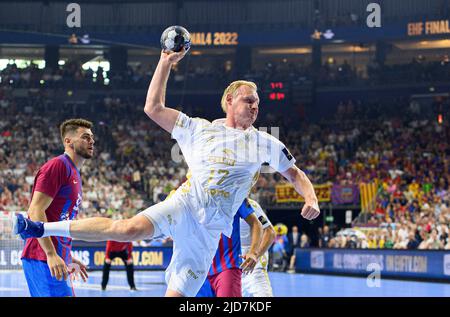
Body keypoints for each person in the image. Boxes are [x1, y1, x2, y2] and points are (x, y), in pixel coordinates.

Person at [14, 48, 320, 297]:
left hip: (208, 234)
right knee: (128, 229)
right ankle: (41, 229)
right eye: (248, 101)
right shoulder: (199, 129)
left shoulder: (264, 142)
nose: (255, 107)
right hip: (184, 205)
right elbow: (153, 107)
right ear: (229, 101)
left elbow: (295, 174)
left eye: (258, 103)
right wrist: (164, 62)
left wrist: (311, 198)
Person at [18, 119, 92, 297]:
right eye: (85, 137)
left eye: (92, 138)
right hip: (42, 257)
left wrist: (67, 256)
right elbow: (36, 210)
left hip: (56, 258)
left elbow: (60, 219)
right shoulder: (58, 166)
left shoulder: (74, 173)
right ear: (68, 141)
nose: (91, 141)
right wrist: (51, 254)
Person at [196, 198, 263, 297]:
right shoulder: (192, 193)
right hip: (198, 269)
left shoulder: (235, 193)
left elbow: (256, 223)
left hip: (227, 265)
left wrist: (253, 252)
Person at [241, 199, 276, 297]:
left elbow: (270, 232)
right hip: (233, 265)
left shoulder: (251, 205)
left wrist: (255, 255)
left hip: (255, 266)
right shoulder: (224, 206)